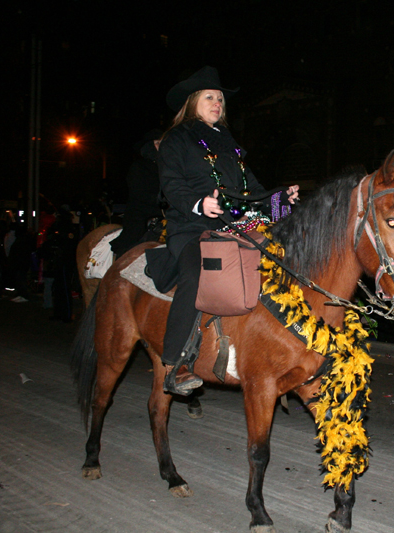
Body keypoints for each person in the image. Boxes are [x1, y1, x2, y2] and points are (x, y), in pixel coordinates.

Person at [158, 66, 299, 395]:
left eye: (220, 99)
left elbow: (253, 191)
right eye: (210, 97)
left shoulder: (229, 144)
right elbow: (171, 185)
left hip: (234, 226)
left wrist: (280, 198)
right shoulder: (176, 139)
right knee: (195, 274)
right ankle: (176, 363)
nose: (217, 103)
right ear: (193, 101)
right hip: (192, 227)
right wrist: (198, 203)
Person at [110, 129, 166, 257]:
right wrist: (164, 204)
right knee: (132, 237)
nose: (162, 147)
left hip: (170, 214)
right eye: (158, 143)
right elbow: (140, 195)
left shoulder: (174, 168)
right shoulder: (140, 167)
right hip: (144, 213)